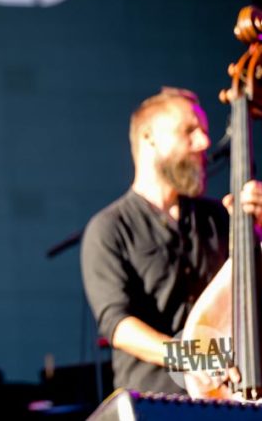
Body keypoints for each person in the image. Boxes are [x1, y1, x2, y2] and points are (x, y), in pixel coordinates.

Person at [80, 87, 262, 393]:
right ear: (148, 138)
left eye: (204, 132)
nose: (204, 142)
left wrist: (257, 232)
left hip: (226, 396)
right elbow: (119, 326)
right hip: (156, 402)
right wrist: (191, 357)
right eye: (189, 131)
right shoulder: (109, 228)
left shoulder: (218, 217)